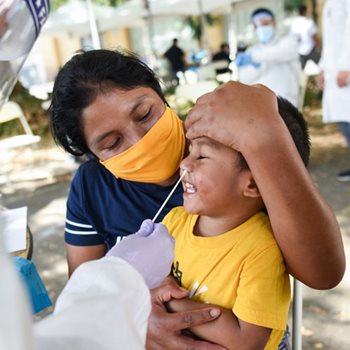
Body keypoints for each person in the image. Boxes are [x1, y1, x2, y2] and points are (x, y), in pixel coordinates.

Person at [49, 49, 345, 350]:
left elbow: (324, 273)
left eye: (144, 114)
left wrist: (264, 135)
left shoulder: (233, 146)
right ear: (93, 155)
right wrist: (138, 320)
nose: (141, 141)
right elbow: (88, 295)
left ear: (161, 97)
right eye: (112, 143)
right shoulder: (92, 188)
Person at [162, 96, 309, 349]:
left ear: (252, 183)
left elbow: (246, 341)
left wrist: (170, 302)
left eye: (203, 156)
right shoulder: (175, 221)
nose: (185, 163)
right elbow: (151, 278)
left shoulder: (261, 250)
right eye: (190, 151)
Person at [236, 8, 300, 107]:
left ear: (274, 23)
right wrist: (256, 67)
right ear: (254, 28)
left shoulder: (288, 42)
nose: (261, 28)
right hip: (260, 106)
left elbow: (277, 53)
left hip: (287, 102)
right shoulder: (251, 51)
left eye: (265, 23)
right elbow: (244, 79)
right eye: (257, 25)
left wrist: (254, 58)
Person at [317, 0, 350, 182]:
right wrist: (323, 68)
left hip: (345, 69)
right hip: (335, 70)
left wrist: (346, 65)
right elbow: (331, 41)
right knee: (345, 122)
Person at [289, 5, 320, 70]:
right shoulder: (309, 22)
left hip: (299, 51)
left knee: (300, 71)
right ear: (305, 12)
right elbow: (314, 36)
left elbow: (293, 38)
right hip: (311, 49)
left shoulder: (294, 23)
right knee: (322, 66)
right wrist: (318, 48)